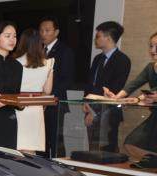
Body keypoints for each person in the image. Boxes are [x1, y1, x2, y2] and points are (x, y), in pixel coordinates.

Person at [105, 31, 157, 158]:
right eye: (151, 46)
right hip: (154, 116)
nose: (153, 50)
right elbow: (134, 84)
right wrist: (117, 97)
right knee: (131, 144)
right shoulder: (150, 67)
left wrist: (140, 98)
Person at [84, 21, 131, 152]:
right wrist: (86, 103)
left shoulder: (123, 60)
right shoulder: (97, 59)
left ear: (108, 38)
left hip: (108, 112)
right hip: (90, 109)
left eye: (98, 36)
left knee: (107, 151)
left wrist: (94, 111)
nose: (95, 39)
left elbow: (114, 89)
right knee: (93, 150)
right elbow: (90, 84)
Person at [13, 29, 54, 153]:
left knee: (15, 148)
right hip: (36, 108)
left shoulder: (15, 62)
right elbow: (47, 90)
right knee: (31, 151)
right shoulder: (48, 63)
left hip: (18, 107)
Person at [39, 16, 75, 157]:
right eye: (41, 30)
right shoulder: (38, 50)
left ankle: (56, 167)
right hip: (39, 102)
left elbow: (66, 80)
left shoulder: (65, 51)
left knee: (55, 141)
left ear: (56, 32)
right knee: (40, 141)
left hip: (55, 103)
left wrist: (47, 97)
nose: (43, 34)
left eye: (47, 30)